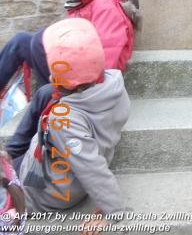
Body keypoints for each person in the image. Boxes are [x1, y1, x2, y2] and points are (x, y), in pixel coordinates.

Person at [14, 18, 130, 229]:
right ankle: (13, 154)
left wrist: (112, 210)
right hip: (56, 169)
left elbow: (91, 167)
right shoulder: (114, 84)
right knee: (45, 93)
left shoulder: (65, 120)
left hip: (47, 192)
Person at [0, 0, 139, 96]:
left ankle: (53, 98)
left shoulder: (106, 6)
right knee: (21, 40)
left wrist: (86, 91)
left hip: (86, 83)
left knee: (38, 40)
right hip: (74, 66)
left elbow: (107, 57)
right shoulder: (87, 1)